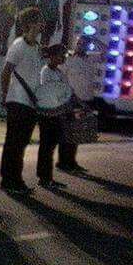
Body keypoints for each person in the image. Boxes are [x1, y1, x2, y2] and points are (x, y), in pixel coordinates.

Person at [0, 7, 45, 194]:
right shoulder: (19, 45)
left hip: (30, 102)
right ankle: (10, 180)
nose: (43, 24)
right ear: (30, 24)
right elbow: (5, 72)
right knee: (15, 143)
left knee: (21, 142)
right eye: (40, 20)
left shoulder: (36, 46)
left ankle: (13, 179)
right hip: (18, 100)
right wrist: (5, 96)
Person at [36, 43, 75, 190]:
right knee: (46, 146)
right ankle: (44, 178)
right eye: (61, 55)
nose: (63, 57)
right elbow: (50, 92)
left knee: (51, 146)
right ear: (52, 56)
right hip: (48, 114)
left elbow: (66, 90)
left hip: (58, 113)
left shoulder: (59, 72)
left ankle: (48, 177)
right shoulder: (45, 72)